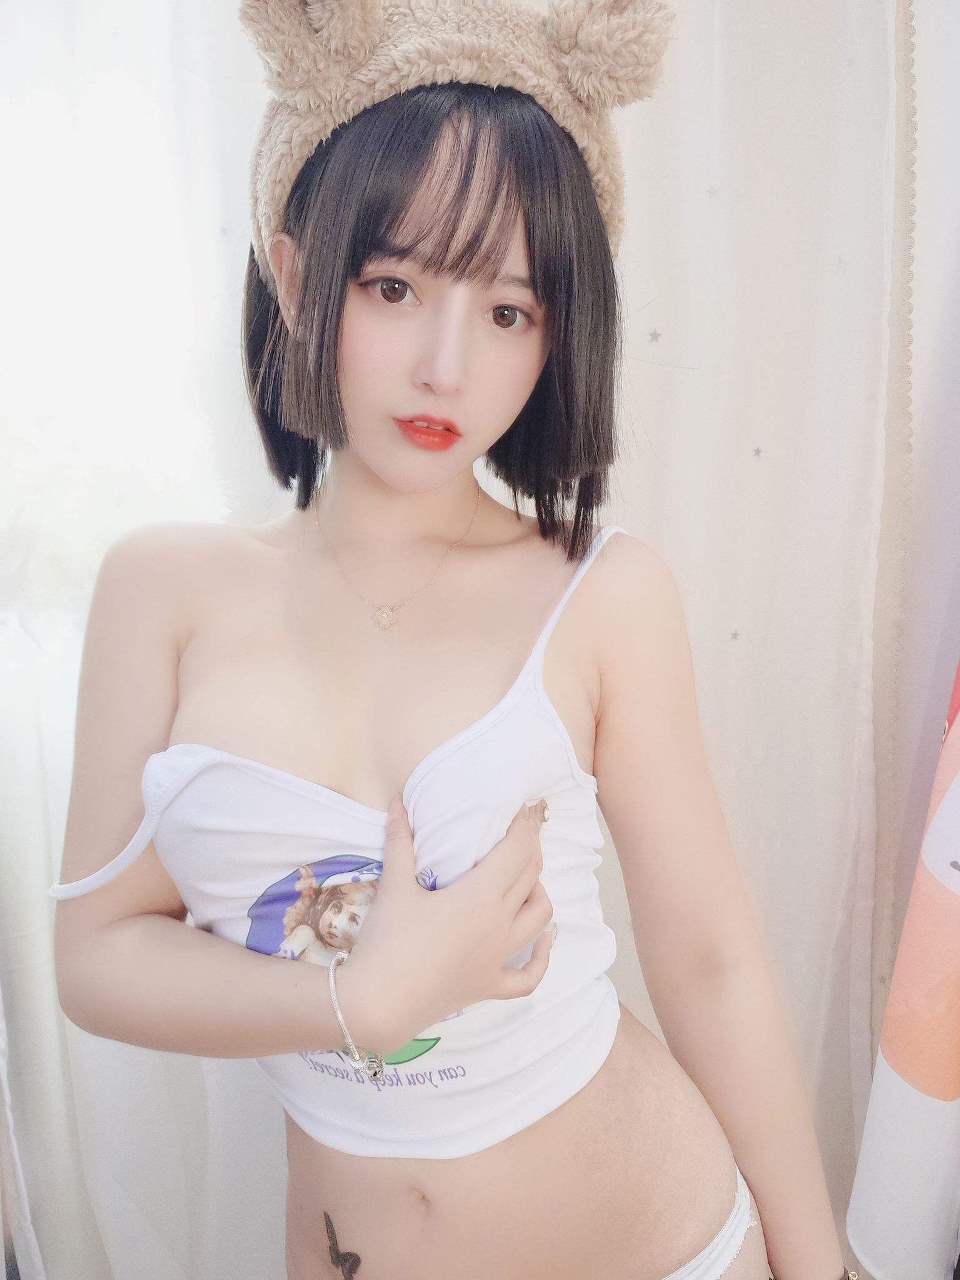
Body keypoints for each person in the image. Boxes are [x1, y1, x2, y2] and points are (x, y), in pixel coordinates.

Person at [49, 3, 855, 1278]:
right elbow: (95, 957)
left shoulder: (602, 594)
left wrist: (822, 1265)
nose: (445, 365)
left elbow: (708, 959)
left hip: (663, 1246)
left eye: (509, 310)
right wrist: (362, 998)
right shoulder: (163, 590)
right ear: (296, 274)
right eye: (393, 286)